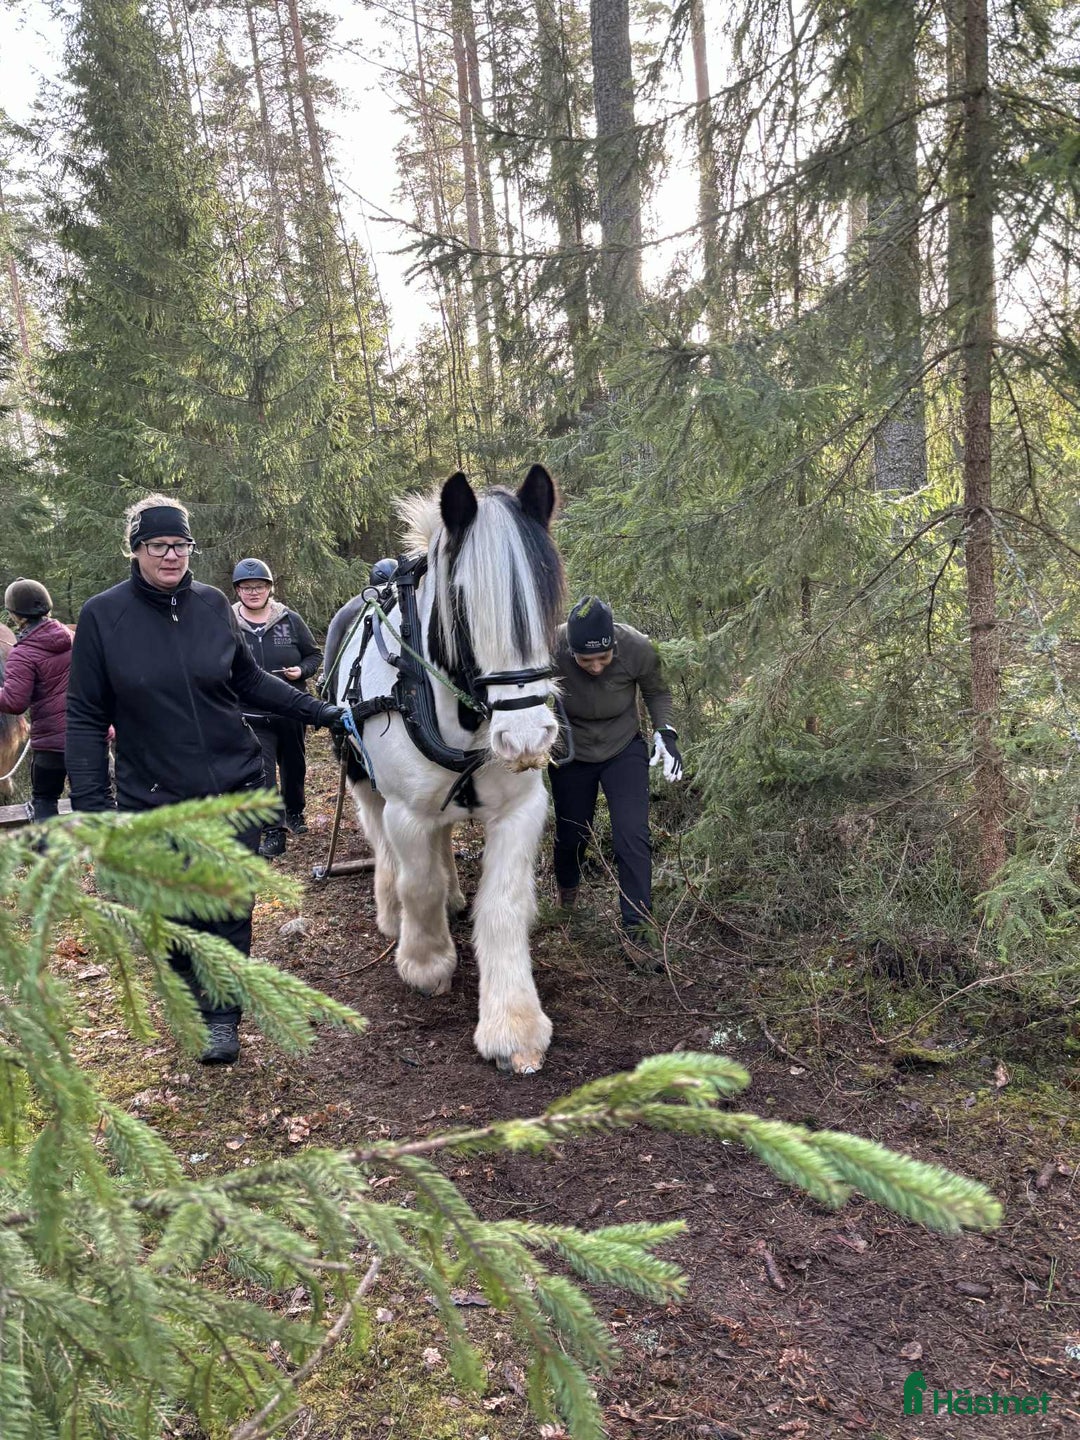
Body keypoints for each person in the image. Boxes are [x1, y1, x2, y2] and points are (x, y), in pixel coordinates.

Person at [66, 495, 344, 1065]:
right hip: (155, 800)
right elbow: (86, 717)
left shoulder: (215, 605)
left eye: (181, 544)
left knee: (228, 906)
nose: (171, 555)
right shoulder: (103, 616)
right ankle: (194, 998)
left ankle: (221, 1016)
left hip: (234, 785)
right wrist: (96, 810)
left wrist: (320, 711)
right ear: (137, 549)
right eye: (158, 545)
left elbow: (249, 681)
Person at [548, 595, 683, 957]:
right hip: (570, 750)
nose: (594, 667)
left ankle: (638, 927)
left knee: (632, 835)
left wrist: (665, 732)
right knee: (572, 834)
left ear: (613, 646)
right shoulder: (550, 646)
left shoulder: (636, 647)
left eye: (603, 658)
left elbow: (657, 690)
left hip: (623, 748)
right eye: (585, 660)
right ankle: (568, 890)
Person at [231, 559, 322, 858]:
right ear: (237, 591)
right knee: (263, 769)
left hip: (291, 709)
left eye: (259, 586)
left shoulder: (290, 620)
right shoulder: (227, 622)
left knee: (294, 766)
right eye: (246, 587)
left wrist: (302, 670)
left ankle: (295, 811)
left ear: (270, 588)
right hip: (251, 713)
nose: (253, 592)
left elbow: (313, 655)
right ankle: (272, 828)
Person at [0, 579, 73, 820]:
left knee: (44, 803)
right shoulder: (75, 639)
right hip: (92, 739)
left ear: (14, 615)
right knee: (95, 801)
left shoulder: (23, 654)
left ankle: (49, 857)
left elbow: (14, 702)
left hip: (51, 746)